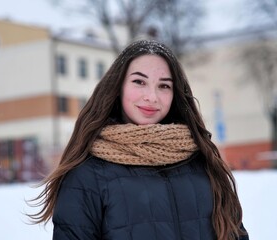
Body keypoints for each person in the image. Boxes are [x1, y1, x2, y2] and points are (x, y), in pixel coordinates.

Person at [29, 39, 249, 240]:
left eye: (164, 85)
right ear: (118, 87)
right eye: (139, 82)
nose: (151, 97)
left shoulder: (203, 162)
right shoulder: (87, 175)